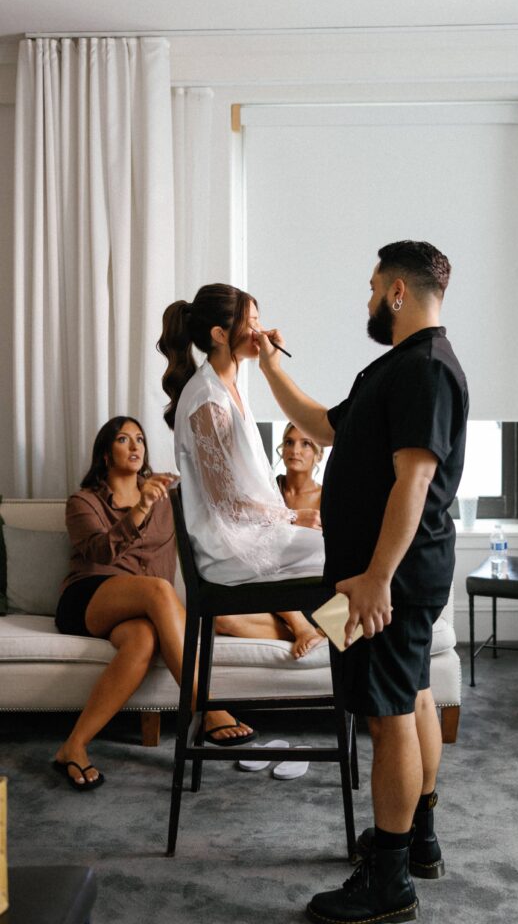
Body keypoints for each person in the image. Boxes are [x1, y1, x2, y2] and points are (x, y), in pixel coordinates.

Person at [257, 241, 468, 924]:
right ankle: (415, 840)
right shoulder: (401, 366)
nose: (368, 299)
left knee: (387, 713)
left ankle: (389, 881)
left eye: (372, 287)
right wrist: (267, 367)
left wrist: (376, 577)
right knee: (410, 694)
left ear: (397, 292)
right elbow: (324, 426)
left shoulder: (425, 369)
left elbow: (415, 479)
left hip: (388, 580)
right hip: (390, 576)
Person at [53, 416, 248, 791]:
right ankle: (204, 709)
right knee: (159, 589)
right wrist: (140, 507)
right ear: (106, 455)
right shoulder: (83, 501)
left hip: (138, 607)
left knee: (143, 639)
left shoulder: (167, 497)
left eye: (140, 439)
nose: (135, 445)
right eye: (124, 439)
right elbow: (100, 552)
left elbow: (219, 512)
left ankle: (73, 745)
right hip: (87, 597)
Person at [158, 284, 326, 663]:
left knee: (354, 554)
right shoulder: (208, 401)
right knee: (351, 558)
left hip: (253, 534)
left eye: (259, 320)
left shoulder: (229, 386)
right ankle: (342, 643)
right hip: (228, 548)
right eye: (251, 322)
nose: (262, 331)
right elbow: (227, 504)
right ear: (219, 335)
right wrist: (294, 515)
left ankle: (331, 638)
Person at [275, 422, 323, 526]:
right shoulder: (268, 489)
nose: (295, 450)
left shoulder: (329, 498)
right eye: (289, 442)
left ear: (319, 455)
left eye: (305, 444)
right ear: (282, 450)